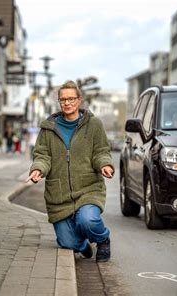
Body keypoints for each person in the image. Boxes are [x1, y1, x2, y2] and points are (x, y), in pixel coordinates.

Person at [27, 80, 114, 262]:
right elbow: (42, 155)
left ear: (79, 100)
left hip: (88, 188)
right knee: (67, 241)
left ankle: (103, 239)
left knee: (87, 220)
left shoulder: (94, 125)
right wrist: (38, 169)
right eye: (63, 100)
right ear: (59, 102)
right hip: (59, 194)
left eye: (71, 99)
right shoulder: (48, 128)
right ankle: (82, 245)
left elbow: (101, 152)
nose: (67, 103)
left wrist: (104, 165)